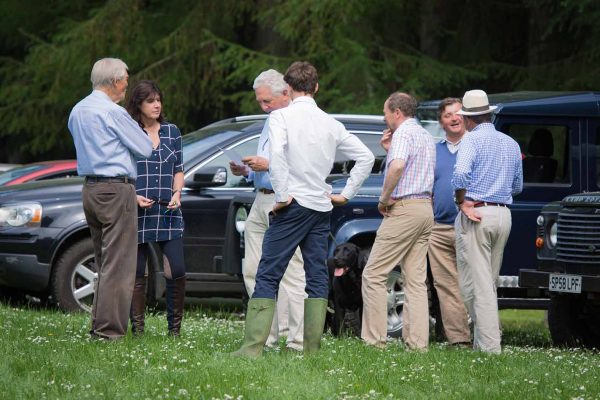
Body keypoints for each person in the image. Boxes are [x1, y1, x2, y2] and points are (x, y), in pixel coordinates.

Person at [232, 61, 374, 357]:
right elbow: (366, 157)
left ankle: (253, 346)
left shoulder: (280, 117)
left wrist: (282, 196)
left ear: (288, 88)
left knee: (268, 272)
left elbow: (278, 157)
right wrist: (346, 194)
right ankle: (309, 347)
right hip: (321, 206)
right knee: (317, 276)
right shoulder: (331, 123)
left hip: (292, 204)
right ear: (316, 87)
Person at [68, 58, 153, 340]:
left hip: (90, 189)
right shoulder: (113, 113)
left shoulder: (78, 110)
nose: (126, 89)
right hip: (116, 189)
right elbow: (144, 148)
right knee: (120, 265)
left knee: (104, 261)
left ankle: (98, 325)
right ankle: (108, 332)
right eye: (125, 83)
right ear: (115, 81)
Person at [230, 69, 306, 351]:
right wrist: (249, 171)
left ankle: (297, 340)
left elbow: (300, 165)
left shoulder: (298, 121)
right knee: (252, 269)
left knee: (290, 272)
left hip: (286, 200)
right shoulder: (270, 120)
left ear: (285, 93)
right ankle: (266, 336)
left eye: (267, 102)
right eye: (260, 102)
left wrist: (269, 165)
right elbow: (268, 164)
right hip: (261, 199)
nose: (263, 107)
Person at [361, 92, 435, 350]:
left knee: (373, 273)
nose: (385, 118)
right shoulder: (426, 135)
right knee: (415, 280)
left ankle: (374, 341)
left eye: (385, 113)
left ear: (397, 112)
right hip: (425, 208)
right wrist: (389, 151)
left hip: (404, 208)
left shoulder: (403, 133)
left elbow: (398, 167)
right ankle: (417, 345)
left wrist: (384, 198)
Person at [452, 89, 523, 353]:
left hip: (477, 213)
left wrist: (461, 201)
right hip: (503, 214)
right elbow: (517, 186)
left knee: (476, 286)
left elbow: (460, 175)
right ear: (488, 115)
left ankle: (490, 350)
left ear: (469, 119)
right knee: (486, 283)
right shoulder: (511, 143)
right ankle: (485, 342)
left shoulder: (470, 140)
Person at [125, 80, 186, 336]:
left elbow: (179, 170)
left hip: (168, 211)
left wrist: (177, 192)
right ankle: (138, 330)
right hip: (137, 210)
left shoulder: (172, 132)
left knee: (177, 270)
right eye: (150, 100)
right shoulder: (128, 131)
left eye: (158, 99)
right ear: (138, 104)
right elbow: (122, 171)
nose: (157, 104)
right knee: (138, 273)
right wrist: (134, 196)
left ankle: (174, 331)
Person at [427, 98, 471, 346]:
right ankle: (459, 340)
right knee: (445, 285)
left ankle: (488, 336)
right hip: (439, 227)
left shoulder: (476, 146)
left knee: (476, 282)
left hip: (471, 225)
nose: (454, 118)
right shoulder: (435, 150)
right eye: (448, 115)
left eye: (458, 113)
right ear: (441, 122)